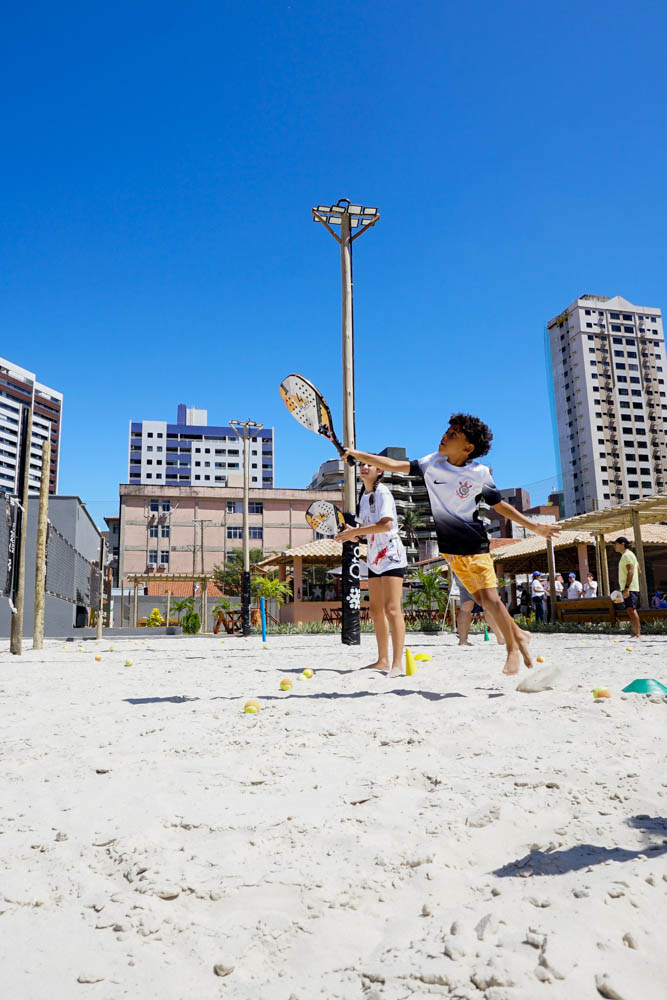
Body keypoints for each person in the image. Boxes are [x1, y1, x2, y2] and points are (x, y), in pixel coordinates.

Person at [342, 413, 560, 675]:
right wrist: (359, 454)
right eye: (447, 431)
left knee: (490, 599)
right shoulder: (431, 463)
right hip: (450, 551)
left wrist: (534, 526)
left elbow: (499, 504)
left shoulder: (479, 473)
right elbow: (393, 464)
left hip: (474, 544)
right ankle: (519, 635)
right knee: (482, 599)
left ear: (468, 448)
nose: (445, 436)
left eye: (453, 434)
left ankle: (513, 648)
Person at [336, 462, 407, 676]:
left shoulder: (383, 492)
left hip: (392, 556)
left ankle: (397, 664)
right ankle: (382, 660)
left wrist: (355, 532)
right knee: (376, 612)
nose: (364, 467)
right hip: (375, 558)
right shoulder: (364, 497)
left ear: (380, 471)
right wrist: (351, 533)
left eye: (370, 465)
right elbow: (366, 533)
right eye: (362, 465)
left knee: (392, 610)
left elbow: (386, 525)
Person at [613, 536, 641, 639]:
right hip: (631, 587)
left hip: (630, 588)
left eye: (615, 544)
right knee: (630, 610)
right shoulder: (630, 555)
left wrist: (627, 587)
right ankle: (636, 633)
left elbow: (631, 570)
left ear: (622, 544)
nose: (614, 546)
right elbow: (639, 571)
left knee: (631, 610)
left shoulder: (627, 555)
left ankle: (637, 634)